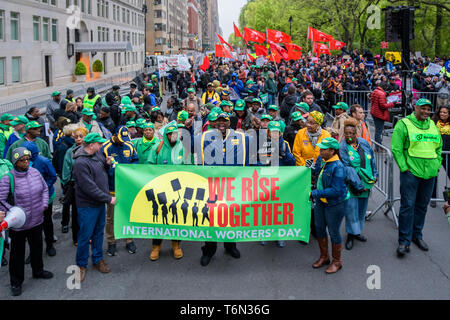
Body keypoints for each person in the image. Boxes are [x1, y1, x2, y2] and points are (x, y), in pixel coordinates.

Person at [391, 98, 443, 257]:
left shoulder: (433, 125)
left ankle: (417, 235)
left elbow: (439, 147)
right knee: (408, 206)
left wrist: (437, 163)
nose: (426, 112)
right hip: (411, 173)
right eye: (423, 109)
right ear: (416, 107)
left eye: (429, 109)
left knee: (422, 206)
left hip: (430, 173)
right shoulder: (404, 124)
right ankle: (404, 241)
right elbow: (396, 148)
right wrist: (404, 168)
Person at [199, 112, 250, 266]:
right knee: (211, 219)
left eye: (225, 121)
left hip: (231, 186)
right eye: (219, 121)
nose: (221, 123)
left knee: (231, 218)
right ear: (214, 123)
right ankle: (208, 250)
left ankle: (230, 246)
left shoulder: (240, 137)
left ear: (229, 122)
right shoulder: (204, 137)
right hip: (212, 186)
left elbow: (264, 140)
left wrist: (260, 126)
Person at [0, 147, 52, 296]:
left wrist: (44, 204)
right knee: (17, 254)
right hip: (19, 224)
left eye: (28, 159)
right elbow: (1, 199)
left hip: (36, 220)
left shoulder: (35, 173)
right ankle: (16, 282)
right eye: (22, 160)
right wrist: (14, 212)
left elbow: (44, 189)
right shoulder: (7, 178)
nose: (26, 163)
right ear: (15, 162)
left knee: (37, 247)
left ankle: (38, 270)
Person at [73, 132, 114, 282]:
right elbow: (89, 187)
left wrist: (107, 164)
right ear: (91, 145)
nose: (101, 145)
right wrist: (108, 198)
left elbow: (102, 171)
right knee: (85, 236)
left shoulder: (97, 155)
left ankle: (97, 259)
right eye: (99, 143)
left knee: (98, 233)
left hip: (98, 204)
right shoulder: (81, 163)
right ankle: (81, 265)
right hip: (87, 206)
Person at [148, 124, 186, 261]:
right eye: (170, 134)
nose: (172, 136)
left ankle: (176, 245)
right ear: (166, 135)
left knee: (176, 217)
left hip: (177, 187)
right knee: (159, 217)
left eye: (174, 134)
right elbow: (149, 167)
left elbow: (190, 167)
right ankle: (156, 247)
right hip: (161, 186)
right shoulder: (157, 148)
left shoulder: (183, 147)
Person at [310, 137, 349, 274]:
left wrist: (315, 193)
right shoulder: (322, 160)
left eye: (323, 149)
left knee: (333, 232)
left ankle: (337, 261)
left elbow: (336, 190)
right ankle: (324, 256)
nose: (320, 151)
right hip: (321, 202)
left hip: (335, 204)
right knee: (319, 228)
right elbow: (314, 173)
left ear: (332, 151)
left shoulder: (338, 167)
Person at [339, 118, 378, 250]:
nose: (349, 136)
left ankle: (357, 232)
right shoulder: (343, 147)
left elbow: (371, 160)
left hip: (366, 182)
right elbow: (347, 167)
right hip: (352, 183)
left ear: (356, 133)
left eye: (352, 133)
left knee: (361, 209)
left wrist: (375, 174)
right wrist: (357, 185)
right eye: (346, 134)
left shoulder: (363, 143)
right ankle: (350, 234)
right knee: (351, 210)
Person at [102, 126, 139, 256]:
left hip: (126, 188)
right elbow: (101, 169)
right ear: (114, 135)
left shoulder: (129, 145)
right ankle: (111, 242)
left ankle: (129, 240)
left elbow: (135, 160)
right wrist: (109, 167)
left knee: (128, 214)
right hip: (111, 188)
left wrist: (128, 169)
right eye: (120, 138)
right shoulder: (105, 147)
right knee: (111, 217)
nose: (122, 141)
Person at [258, 121, 296, 247]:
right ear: (267, 132)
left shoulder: (285, 144)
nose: (274, 134)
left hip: (280, 182)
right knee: (265, 210)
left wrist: (284, 155)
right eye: (272, 131)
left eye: (277, 132)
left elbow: (292, 162)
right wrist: (265, 163)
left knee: (279, 210)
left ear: (280, 133)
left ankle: (279, 235)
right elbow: (255, 163)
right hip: (266, 181)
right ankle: (264, 233)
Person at [22, 141, 58, 257]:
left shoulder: (43, 161)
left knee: (47, 221)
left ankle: (49, 245)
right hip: (29, 199)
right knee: (31, 225)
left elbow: (52, 176)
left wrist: (42, 187)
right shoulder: (21, 163)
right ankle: (33, 253)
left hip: (45, 196)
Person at [61, 126, 88, 244]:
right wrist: (66, 184)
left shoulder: (89, 150)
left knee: (88, 213)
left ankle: (88, 235)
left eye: (81, 136)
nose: (78, 139)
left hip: (88, 185)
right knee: (76, 212)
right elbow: (66, 170)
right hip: (75, 185)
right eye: (76, 137)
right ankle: (76, 238)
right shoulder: (69, 152)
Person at [431, 105, 450, 207]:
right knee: (434, 176)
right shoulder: (433, 123)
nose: (442, 114)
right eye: (441, 112)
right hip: (436, 154)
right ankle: (433, 198)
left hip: (448, 154)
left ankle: (449, 198)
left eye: (445, 112)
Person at [370, 81, 395, 147]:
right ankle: (378, 146)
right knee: (379, 131)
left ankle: (378, 145)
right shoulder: (381, 94)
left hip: (374, 112)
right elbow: (383, 105)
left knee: (377, 130)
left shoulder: (375, 91)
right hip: (379, 114)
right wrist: (392, 104)